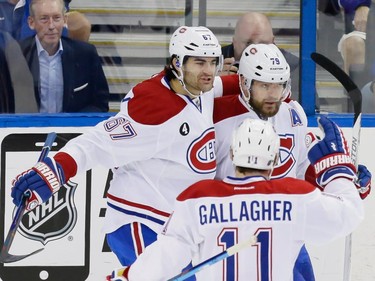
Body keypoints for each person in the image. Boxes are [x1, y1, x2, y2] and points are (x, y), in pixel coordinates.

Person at [10, 25, 239, 271]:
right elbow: (98, 142)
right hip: (140, 225)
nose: (208, 71)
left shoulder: (195, 86)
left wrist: (268, 85)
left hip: (172, 227)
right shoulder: (154, 107)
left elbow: (223, 85)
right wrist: (55, 170)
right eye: (199, 63)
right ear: (177, 63)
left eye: (213, 62)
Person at [106, 116, 365, 281]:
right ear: (275, 159)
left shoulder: (197, 199)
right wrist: (337, 169)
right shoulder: (294, 197)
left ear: (232, 153)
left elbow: (164, 258)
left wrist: (129, 277)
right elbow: (349, 212)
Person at [213, 43, 371, 281]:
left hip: (289, 237)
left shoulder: (292, 113)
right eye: (264, 85)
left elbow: (301, 169)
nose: (273, 94)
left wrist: (340, 176)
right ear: (244, 83)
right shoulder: (216, 117)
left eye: (278, 85)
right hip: (237, 235)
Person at [19, 0, 109, 113]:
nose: (51, 26)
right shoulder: (16, 55)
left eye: (56, 18)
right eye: (44, 19)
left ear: (64, 20)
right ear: (31, 22)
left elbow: (100, 103)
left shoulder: (85, 54)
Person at [220, 12, 300, 101]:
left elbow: (303, 107)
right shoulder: (213, 62)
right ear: (234, 42)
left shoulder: (292, 65)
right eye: (248, 43)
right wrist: (214, 84)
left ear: (273, 42)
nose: (255, 51)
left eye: (263, 44)